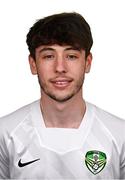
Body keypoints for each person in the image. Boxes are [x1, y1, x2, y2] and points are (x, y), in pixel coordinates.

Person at [0, 12, 125, 179]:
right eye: (49, 56)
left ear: (87, 63)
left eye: (71, 56)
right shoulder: (6, 133)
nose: (60, 67)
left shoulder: (119, 135)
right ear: (33, 64)